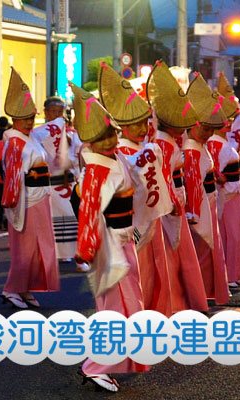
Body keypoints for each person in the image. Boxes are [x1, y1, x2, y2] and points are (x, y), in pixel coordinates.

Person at [69, 83, 149, 393]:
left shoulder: (112, 160)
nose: (110, 141)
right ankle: (96, 366)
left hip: (122, 239)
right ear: (90, 140)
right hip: (109, 246)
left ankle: (102, 359)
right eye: (102, 137)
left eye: (112, 134)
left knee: (124, 306)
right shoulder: (97, 169)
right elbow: (89, 211)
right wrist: (86, 250)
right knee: (120, 309)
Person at [138, 60, 209, 314]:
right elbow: (164, 176)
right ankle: (171, 303)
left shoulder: (165, 139)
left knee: (173, 255)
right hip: (166, 202)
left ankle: (175, 302)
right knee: (167, 256)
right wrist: (176, 204)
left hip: (168, 199)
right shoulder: (164, 142)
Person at [0, 67, 59, 309]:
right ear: (15, 119)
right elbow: (12, 177)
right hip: (26, 199)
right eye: (24, 119)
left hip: (39, 195)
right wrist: (12, 207)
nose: (29, 123)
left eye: (31, 118)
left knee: (37, 247)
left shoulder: (30, 137)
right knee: (25, 248)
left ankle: (24, 289)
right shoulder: (13, 142)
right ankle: (12, 288)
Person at [184, 75, 230, 305]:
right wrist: (194, 211)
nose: (209, 133)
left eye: (212, 129)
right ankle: (199, 293)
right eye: (205, 128)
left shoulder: (197, 145)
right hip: (200, 206)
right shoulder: (191, 148)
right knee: (202, 249)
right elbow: (192, 182)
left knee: (207, 249)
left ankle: (204, 292)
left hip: (207, 202)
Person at [208, 73, 240, 289]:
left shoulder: (225, 137)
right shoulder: (213, 143)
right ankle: (228, 275)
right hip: (225, 189)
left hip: (234, 187)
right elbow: (211, 166)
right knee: (232, 233)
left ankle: (230, 272)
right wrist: (220, 177)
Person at [30, 96, 78, 262]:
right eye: (53, 111)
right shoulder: (37, 133)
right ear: (46, 113)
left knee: (68, 216)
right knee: (48, 218)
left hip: (67, 181)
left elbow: (77, 157)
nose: (57, 115)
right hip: (49, 181)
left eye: (60, 112)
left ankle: (68, 253)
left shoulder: (72, 134)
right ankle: (48, 251)